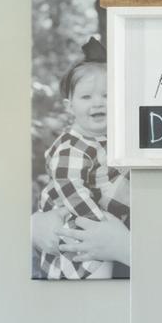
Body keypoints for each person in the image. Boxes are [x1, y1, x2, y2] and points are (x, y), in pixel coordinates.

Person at [33, 40, 130, 279]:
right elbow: (71, 189)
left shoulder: (106, 139)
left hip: (101, 227)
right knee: (97, 272)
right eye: (86, 96)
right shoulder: (72, 147)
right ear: (70, 107)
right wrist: (99, 226)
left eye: (106, 95)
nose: (98, 102)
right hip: (79, 228)